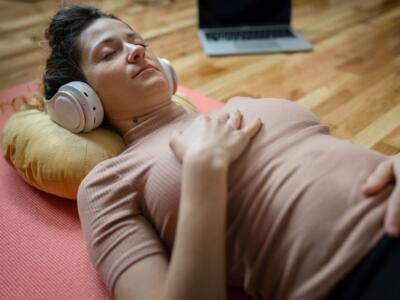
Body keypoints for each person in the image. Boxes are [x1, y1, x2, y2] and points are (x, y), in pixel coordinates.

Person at [42, 4, 400, 300]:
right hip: (363, 273)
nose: (137, 50)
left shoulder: (240, 103)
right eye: (109, 53)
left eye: (138, 42)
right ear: (79, 99)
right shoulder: (107, 183)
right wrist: (203, 172)